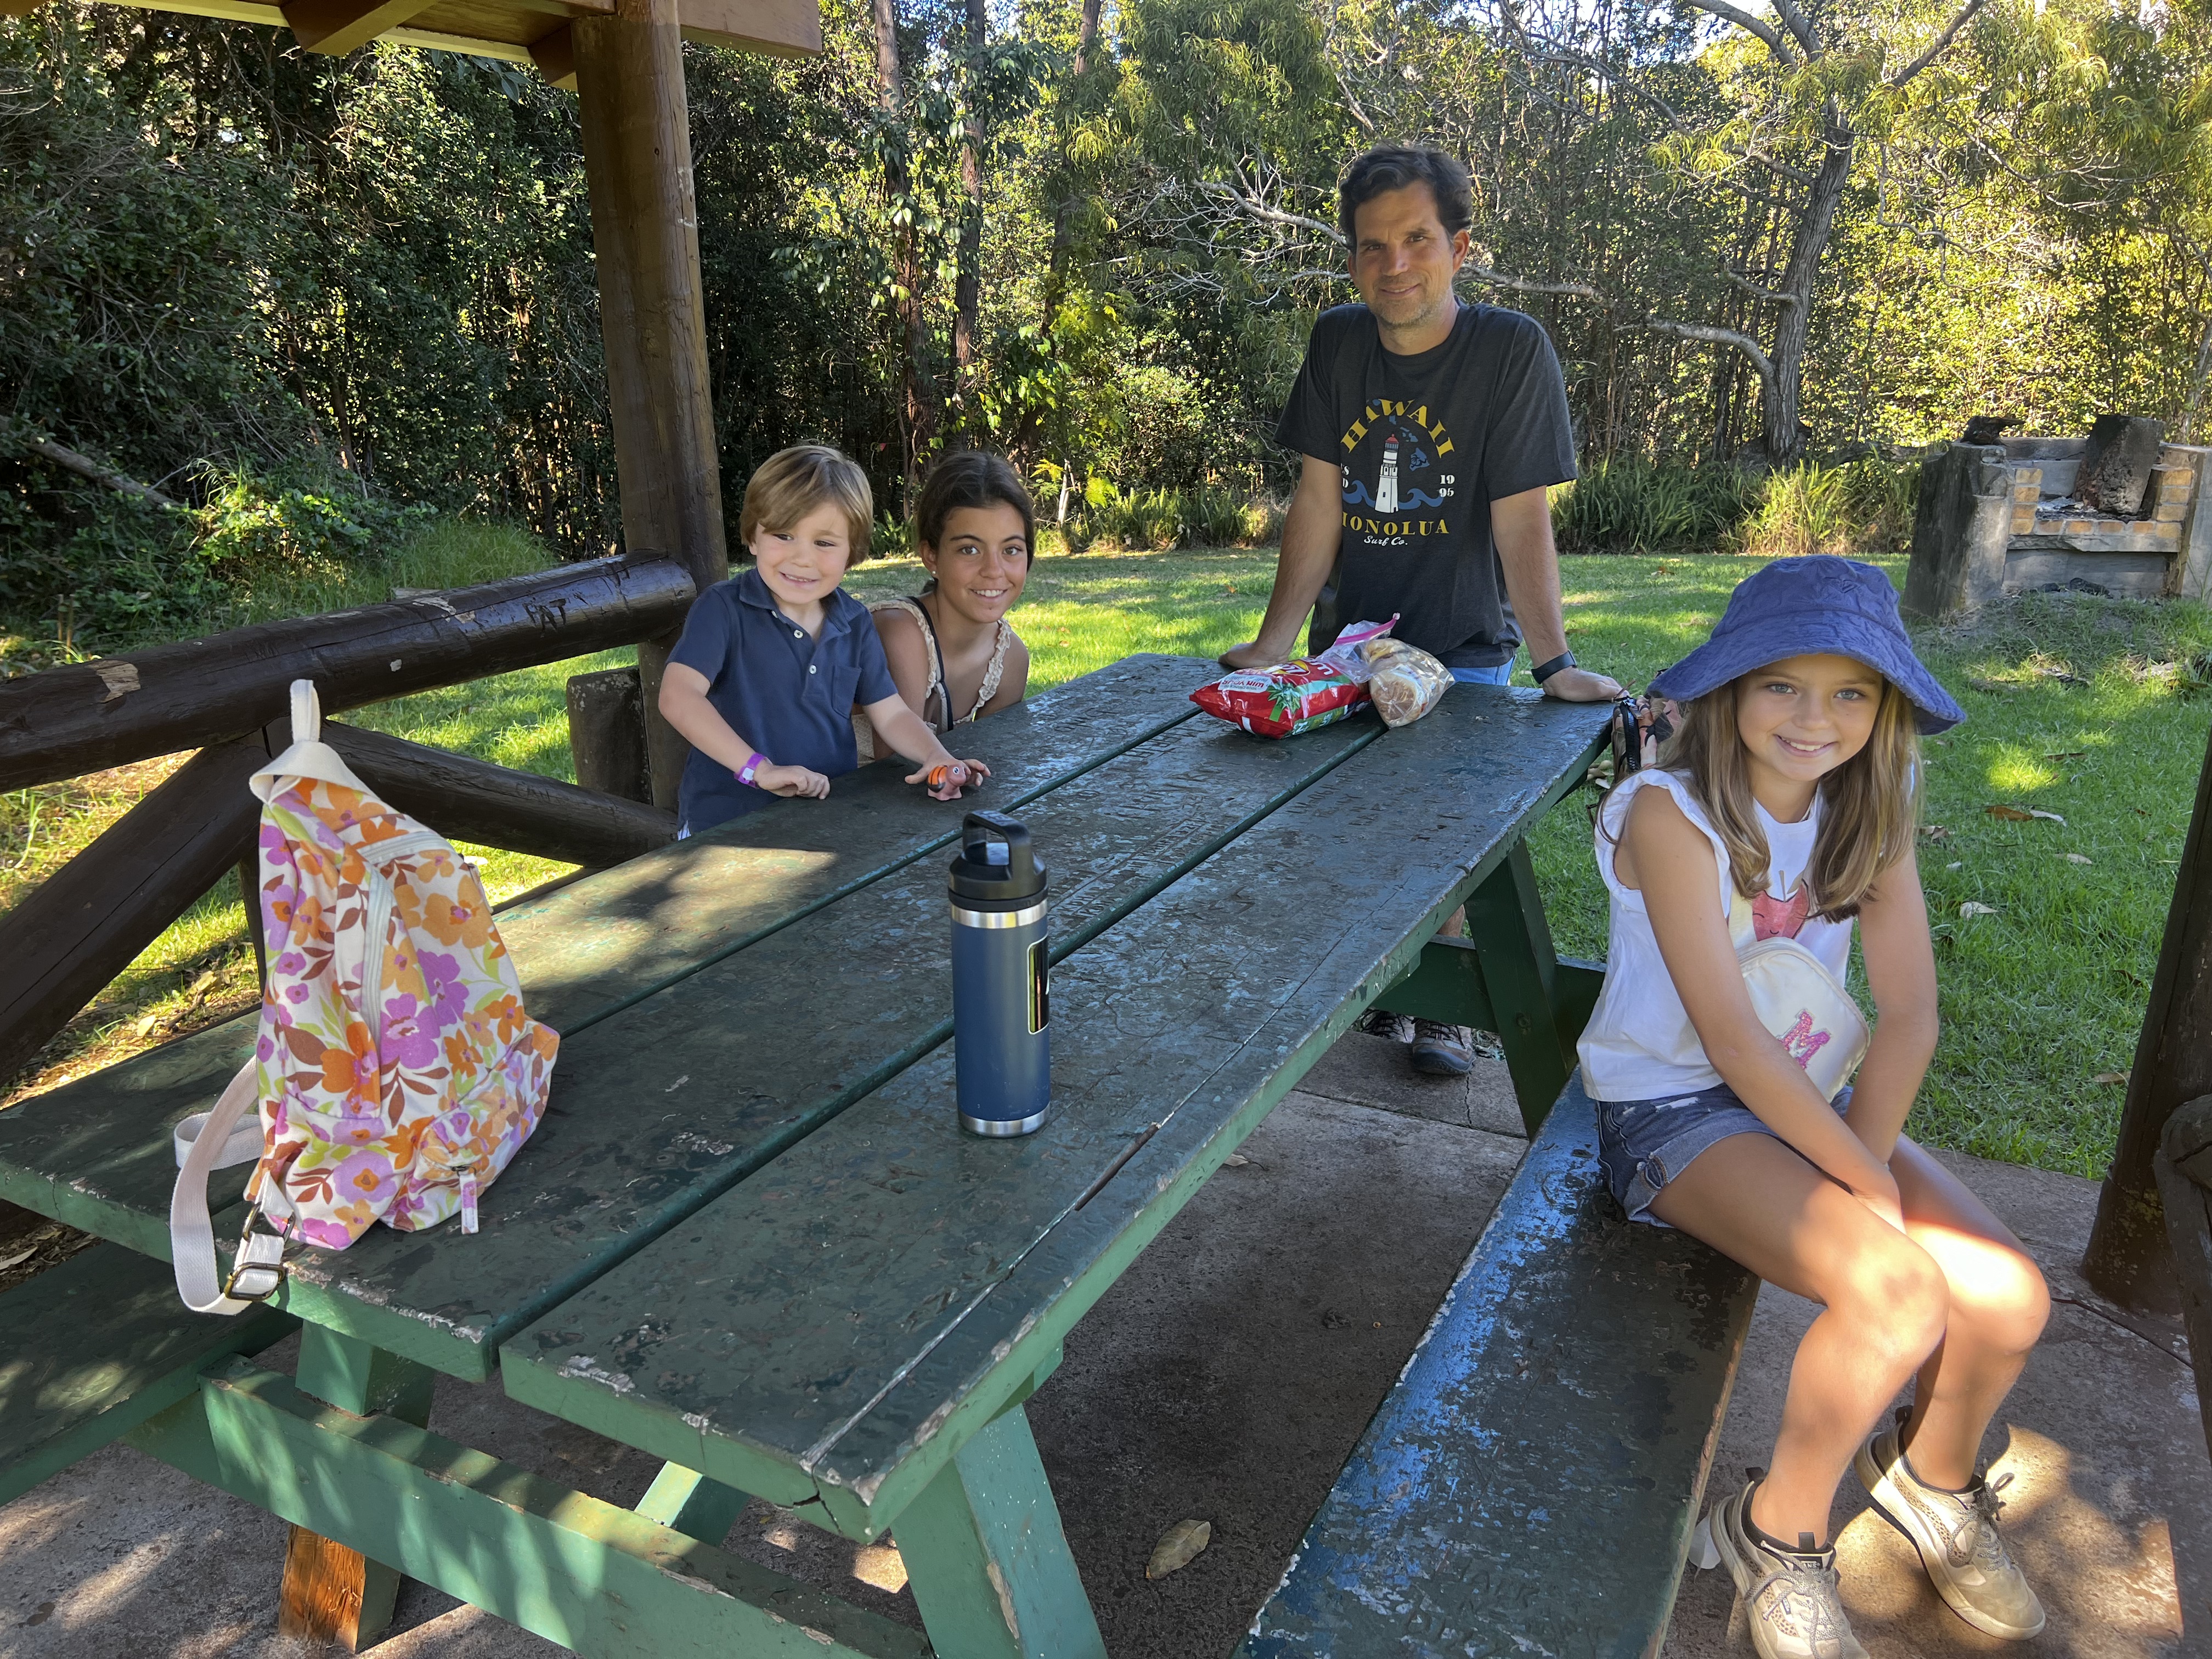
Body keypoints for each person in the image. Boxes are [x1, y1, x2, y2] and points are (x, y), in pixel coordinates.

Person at [1579, 556, 2049, 1659]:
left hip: (1805, 1094)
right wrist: (1861, 1181)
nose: (1812, 718)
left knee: (2007, 1297)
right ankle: (1774, 1532)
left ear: (1883, 708)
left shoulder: (1866, 810)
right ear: (1730, 689)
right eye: (1781, 685)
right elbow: (1730, 1043)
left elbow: (1911, 1016)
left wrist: (1861, 1162)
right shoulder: (1669, 813)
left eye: (1849, 693)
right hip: (1672, 1114)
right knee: (1897, 1293)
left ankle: (1933, 1480)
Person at [1228, 142, 1622, 1076]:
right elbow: (1318, 497)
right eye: (1372, 245)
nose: (1394, 264)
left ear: (1459, 248)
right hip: (1349, 646)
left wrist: (1555, 662)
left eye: (1416, 240)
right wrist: (1273, 644)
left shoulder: (1509, 350)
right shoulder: (1337, 342)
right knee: (1355, 826)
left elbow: (1520, 516)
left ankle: (1447, 1010)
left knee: (1444, 836)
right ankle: (1392, 990)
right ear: (1350, 259)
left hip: (1463, 644)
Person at [658, 444, 989, 837]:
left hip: (826, 820)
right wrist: (759, 770)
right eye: (784, 535)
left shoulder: (855, 622)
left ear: (852, 552)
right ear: (753, 537)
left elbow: (892, 714)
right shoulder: (723, 609)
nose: (802, 558)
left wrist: (937, 756)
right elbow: (678, 697)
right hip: (725, 827)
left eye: (825, 543)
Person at [854, 451, 1034, 762]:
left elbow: (993, 764)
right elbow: (897, 769)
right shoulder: (900, 634)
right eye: (969, 549)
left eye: (1011, 549)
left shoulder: (1010, 659)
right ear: (931, 556)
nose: (994, 570)